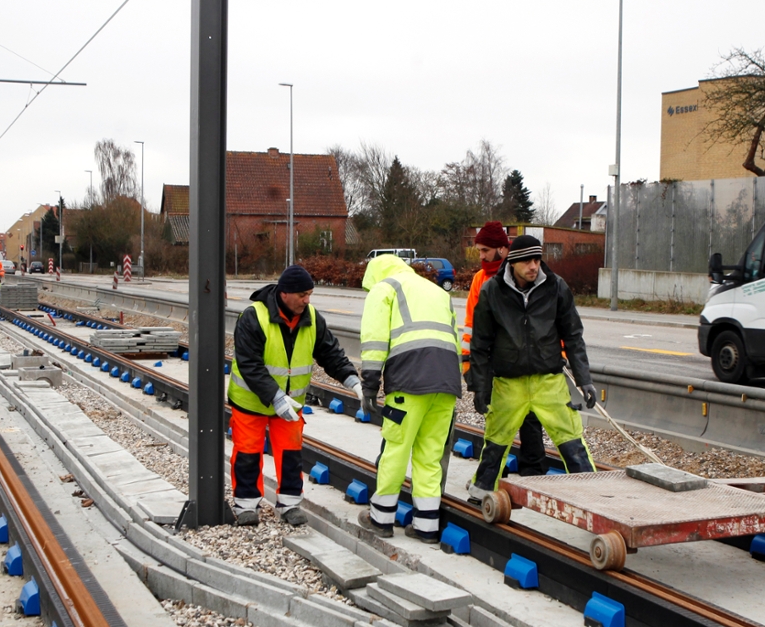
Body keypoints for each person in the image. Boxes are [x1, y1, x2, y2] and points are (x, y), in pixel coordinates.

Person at [229, 264, 361, 526]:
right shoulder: (253, 317)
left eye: (310, 294)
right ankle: (246, 506)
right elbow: (249, 365)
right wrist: (275, 397)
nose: (307, 300)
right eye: (302, 295)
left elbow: (330, 352)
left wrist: (351, 379)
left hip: (290, 405)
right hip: (251, 402)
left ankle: (289, 505)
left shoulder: (311, 318)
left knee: (291, 454)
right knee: (247, 453)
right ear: (284, 294)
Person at [468, 234, 597, 499]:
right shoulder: (492, 291)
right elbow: (480, 344)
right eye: (527, 261)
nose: (533, 266)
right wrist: (479, 387)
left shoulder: (556, 287)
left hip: (548, 382)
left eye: (537, 259)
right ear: (512, 263)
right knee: (495, 442)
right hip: (508, 384)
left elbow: (573, 335)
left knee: (572, 441)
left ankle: (597, 498)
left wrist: (585, 380)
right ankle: (480, 494)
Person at [358, 253, 461, 542]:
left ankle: (380, 518)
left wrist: (369, 386)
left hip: (409, 381)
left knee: (396, 448)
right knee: (430, 455)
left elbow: (375, 342)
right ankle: (426, 526)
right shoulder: (436, 290)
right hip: (447, 382)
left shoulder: (384, 288)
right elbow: (453, 336)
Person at [462, 222, 547, 478]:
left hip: (527, 362)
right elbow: (471, 328)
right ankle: (493, 477)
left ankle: (533, 474)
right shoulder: (480, 279)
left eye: (485, 250)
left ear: (502, 249)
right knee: (499, 421)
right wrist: (470, 369)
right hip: (496, 364)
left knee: (530, 420)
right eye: (479, 250)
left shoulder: (524, 274)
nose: (481, 256)